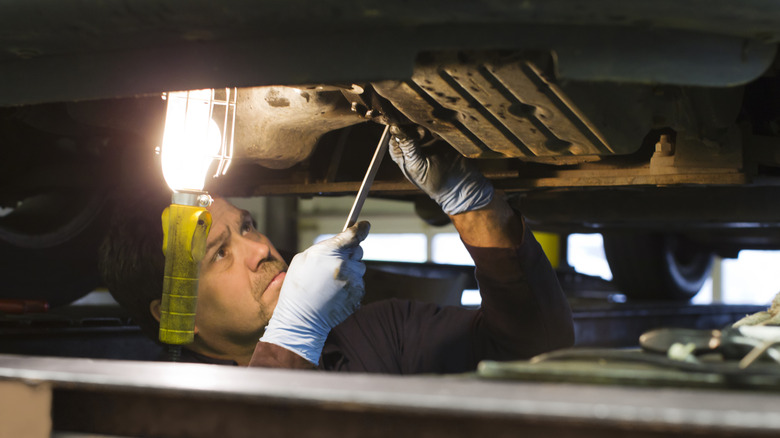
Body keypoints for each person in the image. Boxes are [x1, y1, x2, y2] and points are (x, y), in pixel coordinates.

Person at [99, 128, 574, 372]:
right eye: (220, 253)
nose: (261, 248)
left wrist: (471, 205)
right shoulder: (165, 407)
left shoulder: (376, 336)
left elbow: (535, 352)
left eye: (248, 227)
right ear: (174, 314)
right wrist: (294, 337)